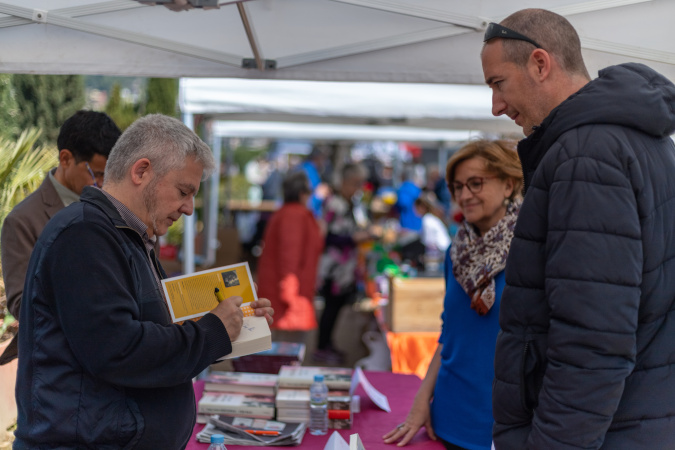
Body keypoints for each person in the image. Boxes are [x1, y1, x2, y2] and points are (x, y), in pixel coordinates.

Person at [13, 114, 274, 448]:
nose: (189, 208)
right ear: (141, 171)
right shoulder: (84, 234)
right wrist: (211, 331)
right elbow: (119, 349)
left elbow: (152, 334)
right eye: (184, 191)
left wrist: (231, 327)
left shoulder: (128, 235)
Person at [482, 9, 675, 449]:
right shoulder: (641, 140)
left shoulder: (586, 154)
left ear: (540, 64)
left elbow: (593, 341)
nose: (495, 106)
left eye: (498, 84)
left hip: (610, 430)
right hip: (640, 418)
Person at [383, 140, 522, 450]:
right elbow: (451, 334)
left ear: (508, 184)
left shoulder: (530, 251)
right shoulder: (455, 252)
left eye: (476, 183)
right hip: (446, 417)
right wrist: (423, 399)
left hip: (504, 424)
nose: (464, 195)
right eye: (458, 187)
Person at [0, 110, 121, 365]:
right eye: (96, 174)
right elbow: (22, 303)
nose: (102, 184)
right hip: (58, 366)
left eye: (108, 175)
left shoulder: (115, 208)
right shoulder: (22, 220)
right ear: (65, 158)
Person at [257, 171, 324, 347]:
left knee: (285, 351)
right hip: (288, 297)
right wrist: (290, 296)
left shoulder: (288, 213)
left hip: (287, 293)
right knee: (286, 352)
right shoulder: (294, 215)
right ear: (303, 193)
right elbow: (289, 257)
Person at [315, 163, 370, 363]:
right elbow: (326, 237)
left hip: (345, 268)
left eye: (360, 183)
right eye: (356, 183)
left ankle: (327, 343)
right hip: (333, 268)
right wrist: (354, 238)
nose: (359, 188)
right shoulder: (334, 204)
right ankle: (322, 346)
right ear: (344, 182)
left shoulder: (349, 204)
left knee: (335, 307)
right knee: (330, 307)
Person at [413, 192, 451, 270]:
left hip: (440, 254)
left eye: (416, 207)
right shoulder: (430, 218)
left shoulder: (427, 220)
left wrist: (426, 259)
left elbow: (429, 242)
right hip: (444, 252)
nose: (414, 210)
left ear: (422, 207)